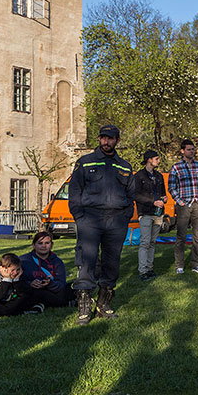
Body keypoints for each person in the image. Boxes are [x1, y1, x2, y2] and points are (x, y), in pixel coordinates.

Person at [68, 125, 135, 325]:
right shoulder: (85, 162)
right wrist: (79, 216)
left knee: (112, 262)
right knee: (87, 260)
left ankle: (103, 304)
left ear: (117, 141)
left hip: (116, 221)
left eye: (111, 138)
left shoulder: (124, 166)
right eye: (103, 138)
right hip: (90, 218)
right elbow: (75, 191)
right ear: (99, 139)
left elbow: (131, 194)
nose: (106, 142)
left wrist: (125, 217)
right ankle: (84, 307)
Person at [168, 139, 198, 275]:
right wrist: (180, 201)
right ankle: (179, 265)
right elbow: (171, 187)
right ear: (182, 151)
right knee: (181, 236)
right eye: (189, 149)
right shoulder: (176, 167)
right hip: (183, 205)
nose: (191, 152)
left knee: (197, 236)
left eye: (193, 149)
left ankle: (196, 264)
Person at [132, 150, 166, 281]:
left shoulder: (159, 176)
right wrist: (153, 201)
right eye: (156, 158)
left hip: (158, 213)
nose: (159, 161)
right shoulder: (139, 176)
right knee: (145, 242)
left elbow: (163, 192)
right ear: (149, 160)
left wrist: (164, 198)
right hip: (145, 212)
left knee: (152, 242)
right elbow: (136, 195)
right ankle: (142, 271)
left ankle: (150, 268)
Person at [19, 231, 74, 307]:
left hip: (52, 290)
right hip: (32, 291)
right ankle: (66, 303)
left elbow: (61, 284)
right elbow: (18, 282)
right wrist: (30, 284)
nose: (43, 246)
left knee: (72, 287)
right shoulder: (24, 260)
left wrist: (50, 284)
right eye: (40, 243)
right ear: (33, 245)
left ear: (51, 245)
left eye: (47, 243)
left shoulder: (57, 262)